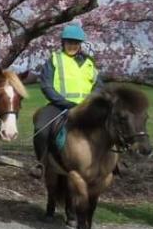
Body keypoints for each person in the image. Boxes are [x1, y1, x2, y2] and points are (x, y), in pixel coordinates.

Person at [31, 24, 102, 177]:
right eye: (69, 42)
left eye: (75, 43)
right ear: (63, 43)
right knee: (40, 129)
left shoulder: (90, 62)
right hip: (59, 106)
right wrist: (65, 103)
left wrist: (90, 101)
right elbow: (47, 85)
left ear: (80, 44)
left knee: (113, 122)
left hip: (86, 107)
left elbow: (98, 86)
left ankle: (114, 163)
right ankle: (41, 163)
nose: (72, 46)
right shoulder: (55, 59)